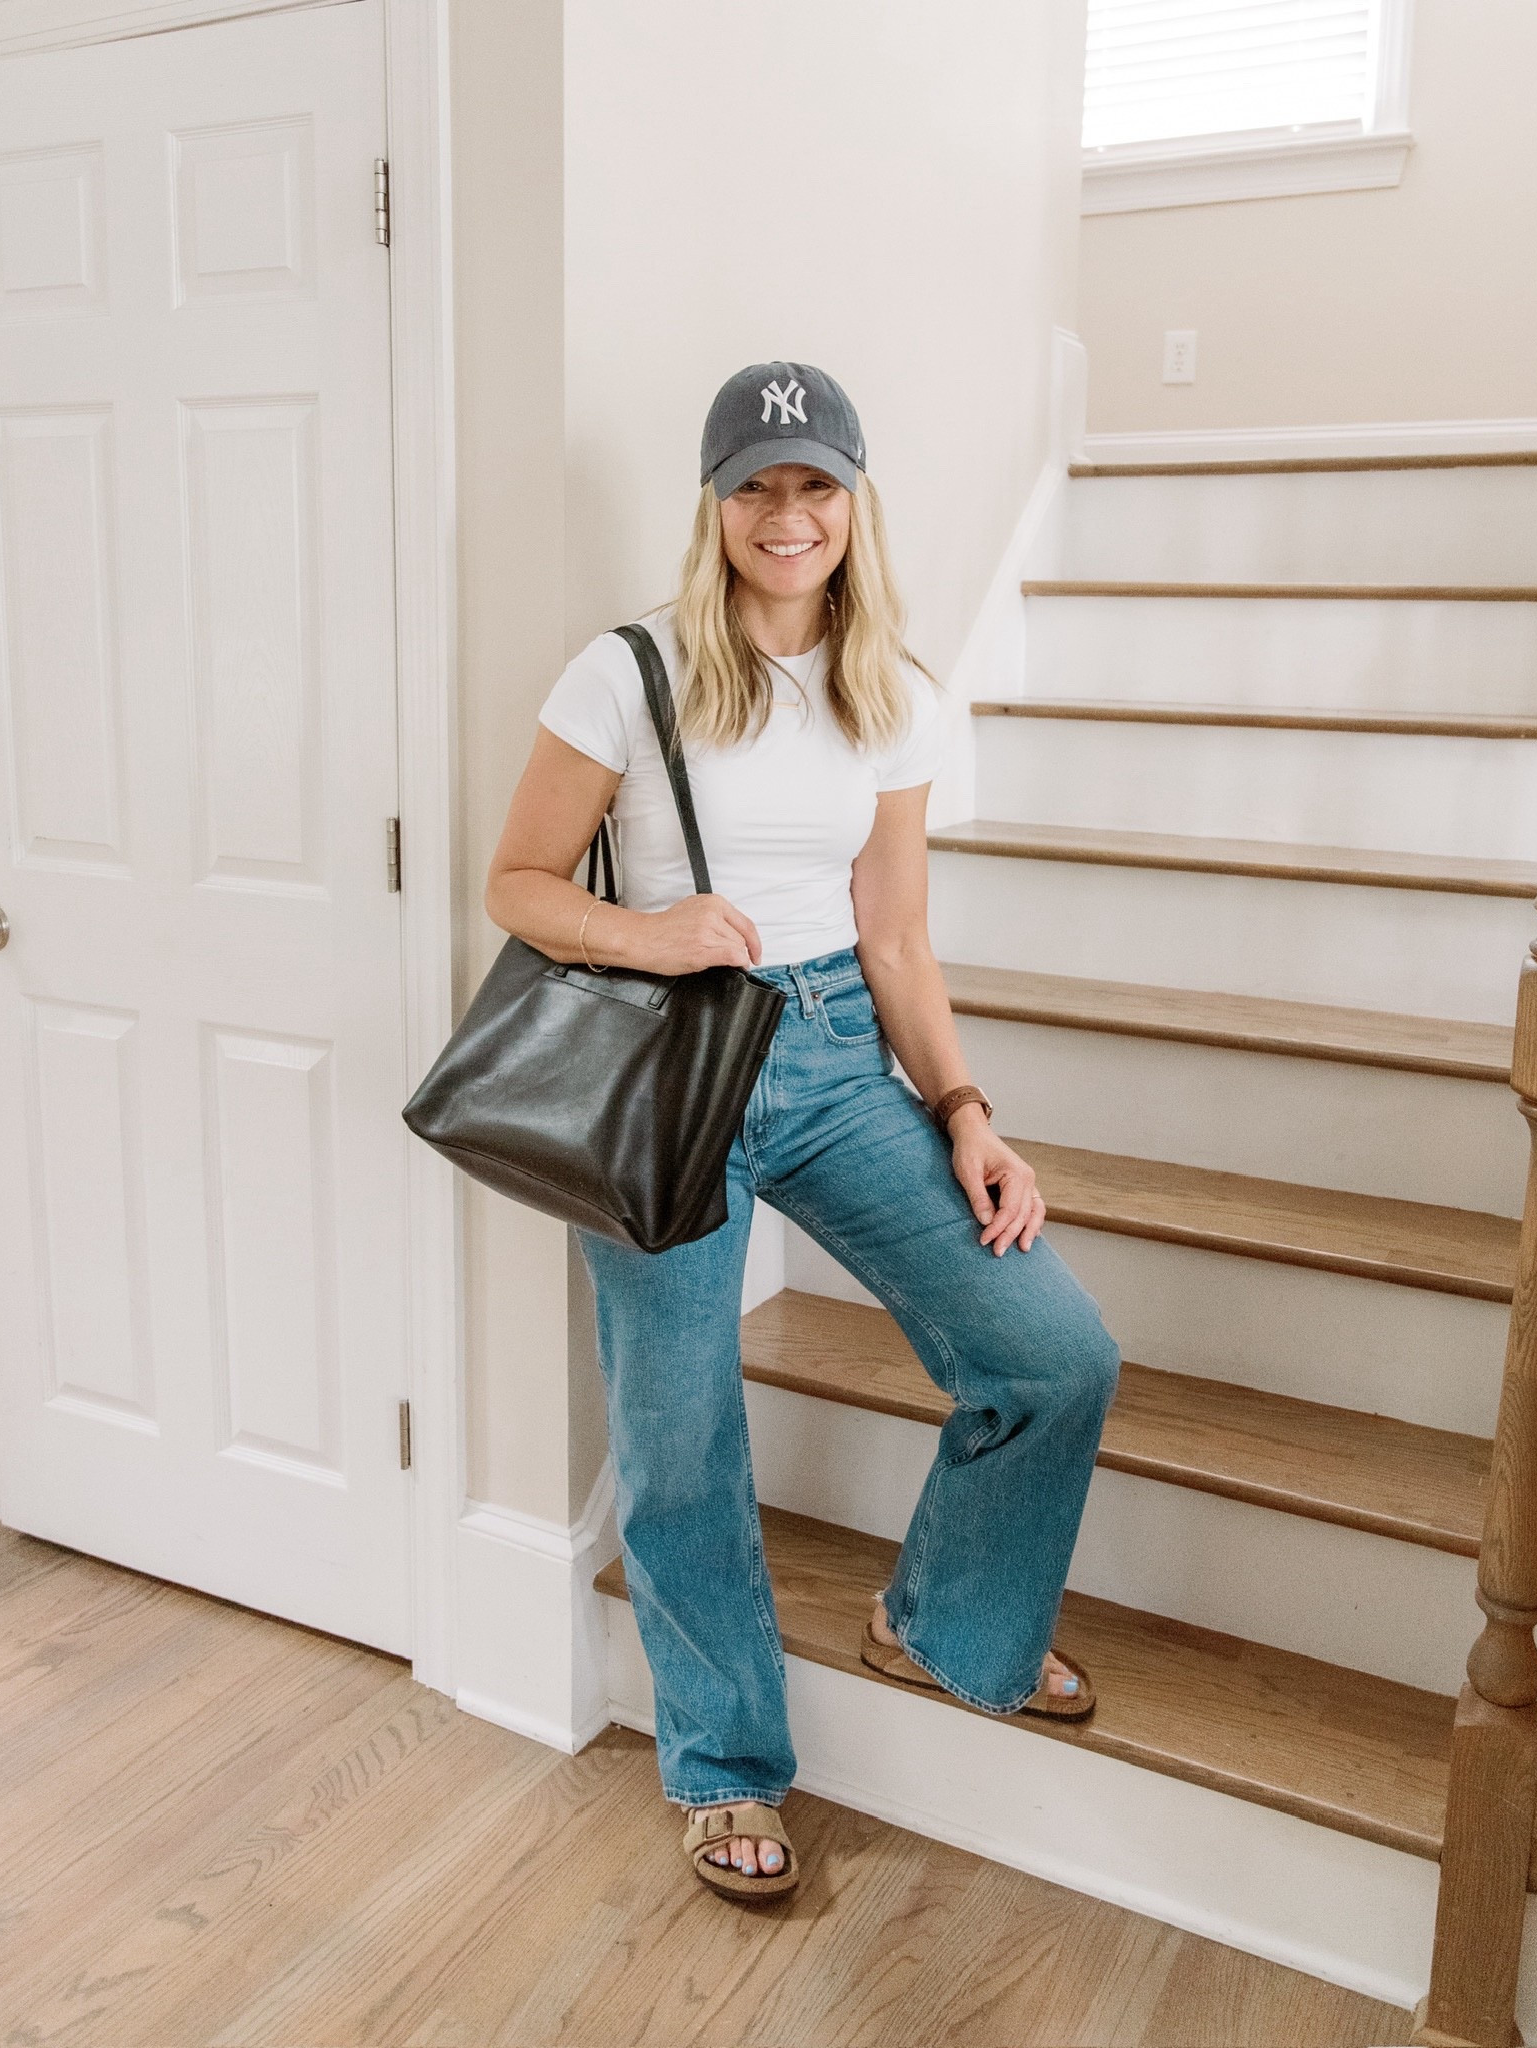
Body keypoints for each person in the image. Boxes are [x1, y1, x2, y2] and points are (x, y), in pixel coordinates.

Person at [485, 361, 1121, 1902]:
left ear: (855, 502)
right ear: (715, 504)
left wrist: (967, 1114)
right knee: (680, 1425)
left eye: (814, 483)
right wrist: (657, 936)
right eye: (757, 485)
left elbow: (898, 937)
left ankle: (947, 1620)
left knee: (1052, 1351)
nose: (788, 514)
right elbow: (516, 886)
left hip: (837, 1051)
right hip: (667, 1071)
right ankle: (723, 1765)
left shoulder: (889, 688)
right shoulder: (624, 674)